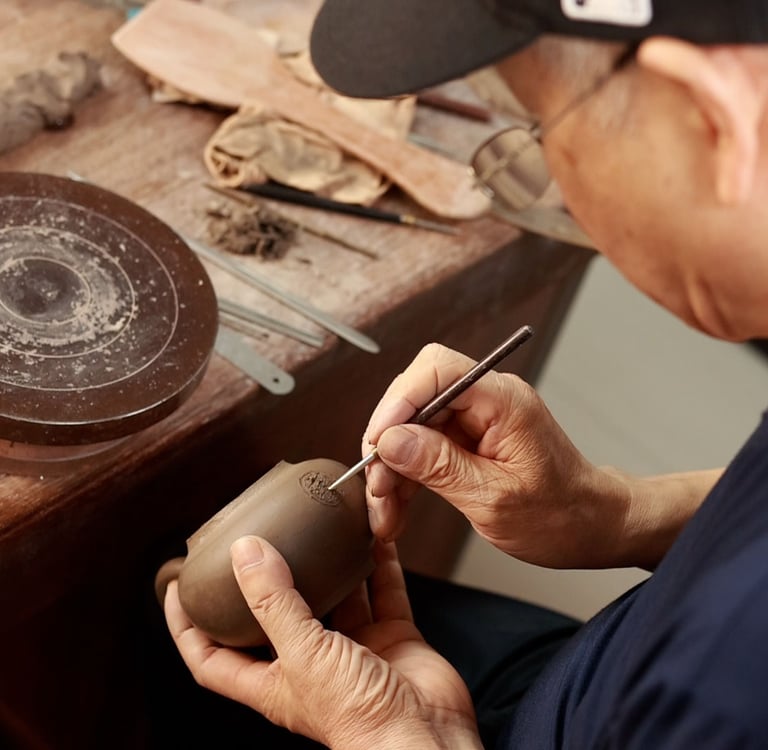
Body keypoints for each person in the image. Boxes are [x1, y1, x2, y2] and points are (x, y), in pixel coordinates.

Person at [163, 1, 768, 747]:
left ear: (717, 120)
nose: (560, 189)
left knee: (166, 673)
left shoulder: (727, 689)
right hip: (595, 668)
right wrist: (614, 515)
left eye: (540, 130)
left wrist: (397, 737)